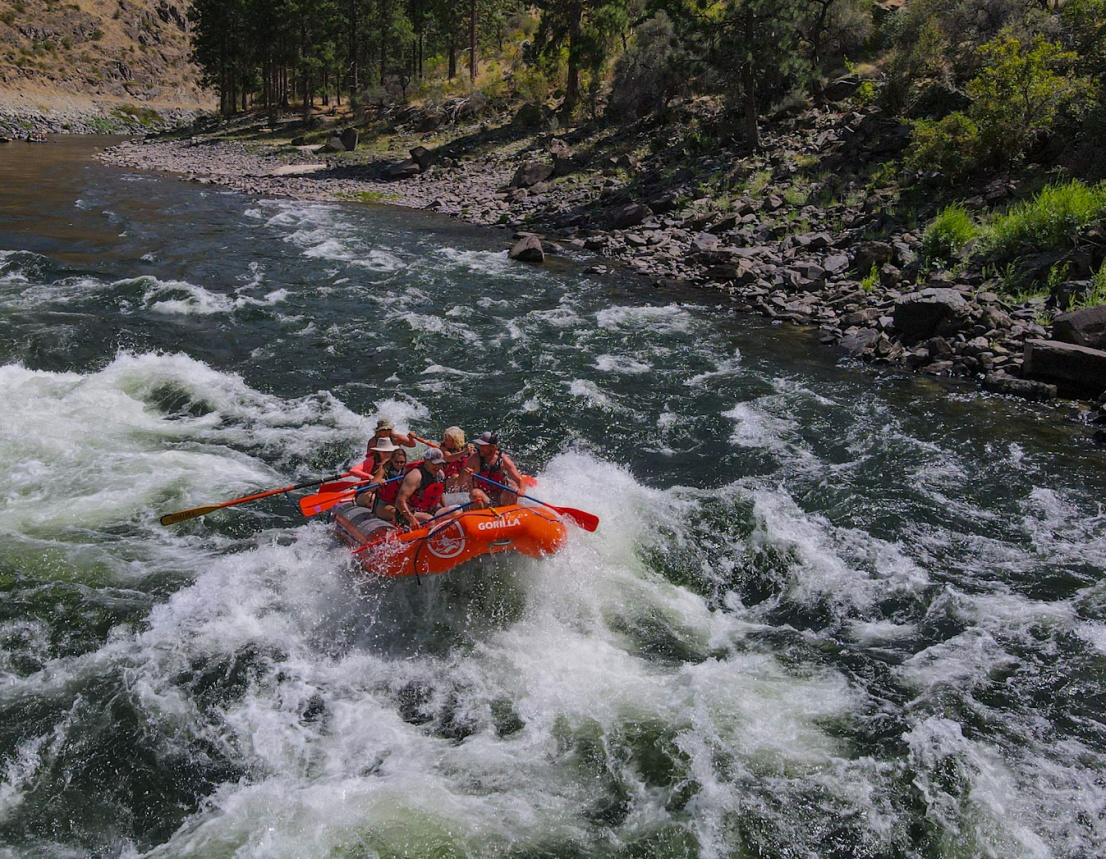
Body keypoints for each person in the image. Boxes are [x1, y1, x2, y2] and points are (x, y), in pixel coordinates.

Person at [464, 431, 525, 508]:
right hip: (484, 497)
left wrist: (521, 490)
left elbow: (519, 479)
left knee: (513, 489)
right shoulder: (474, 458)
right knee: (475, 493)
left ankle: (507, 512)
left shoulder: (503, 460)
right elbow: (460, 481)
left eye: (483, 445)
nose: (480, 447)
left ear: (493, 447)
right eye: (480, 445)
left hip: (500, 497)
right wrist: (466, 475)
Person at [395, 447, 448, 529]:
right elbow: (400, 501)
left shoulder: (440, 474)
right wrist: (412, 519)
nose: (438, 467)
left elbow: (439, 493)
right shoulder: (415, 476)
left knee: (455, 513)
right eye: (435, 463)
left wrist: (445, 507)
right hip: (410, 512)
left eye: (440, 463)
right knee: (429, 520)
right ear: (426, 461)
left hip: (429, 509)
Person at [356, 446, 408, 521]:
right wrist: (379, 482)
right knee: (399, 515)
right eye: (397, 462)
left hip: (397, 504)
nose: (399, 464)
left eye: (402, 462)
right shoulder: (384, 469)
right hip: (382, 504)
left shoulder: (406, 472)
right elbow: (370, 488)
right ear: (392, 461)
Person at [439, 425, 474, 493]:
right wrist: (464, 452)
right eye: (445, 439)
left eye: (448, 440)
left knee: (469, 478)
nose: (445, 442)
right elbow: (449, 458)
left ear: (455, 440)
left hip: (463, 477)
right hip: (448, 479)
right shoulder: (443, 448)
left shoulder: (466, 449)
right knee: (455, 477)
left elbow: (474, 462)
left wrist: (471, 452)